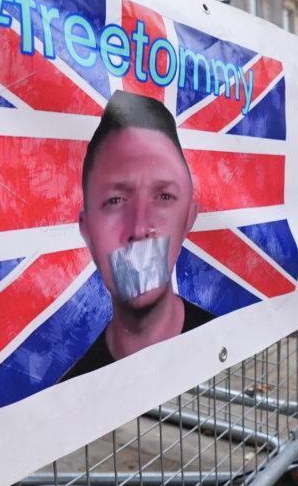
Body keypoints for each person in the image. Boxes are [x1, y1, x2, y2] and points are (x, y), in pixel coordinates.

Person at [65, 90, 215, 379]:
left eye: (164, 197)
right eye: (116, 201)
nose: (139, 229)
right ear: (86, 229)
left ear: (188, 220)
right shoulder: (71, 390)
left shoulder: (227, 340)